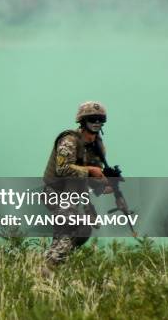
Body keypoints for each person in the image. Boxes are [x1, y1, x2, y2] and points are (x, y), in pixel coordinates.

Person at [42, 101, 112, 267]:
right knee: (74, 226)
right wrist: (91, 171)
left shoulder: (98, 147)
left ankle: (50, 262)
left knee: (78, 231)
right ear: (82, 121)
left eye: (100, 119)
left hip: (74, 195)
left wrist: (104, 185)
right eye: (92, 119)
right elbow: (63, 169)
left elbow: (92, 178)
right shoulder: (70, 140)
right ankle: (52, 262)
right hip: (55, 192)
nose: (96, 123)